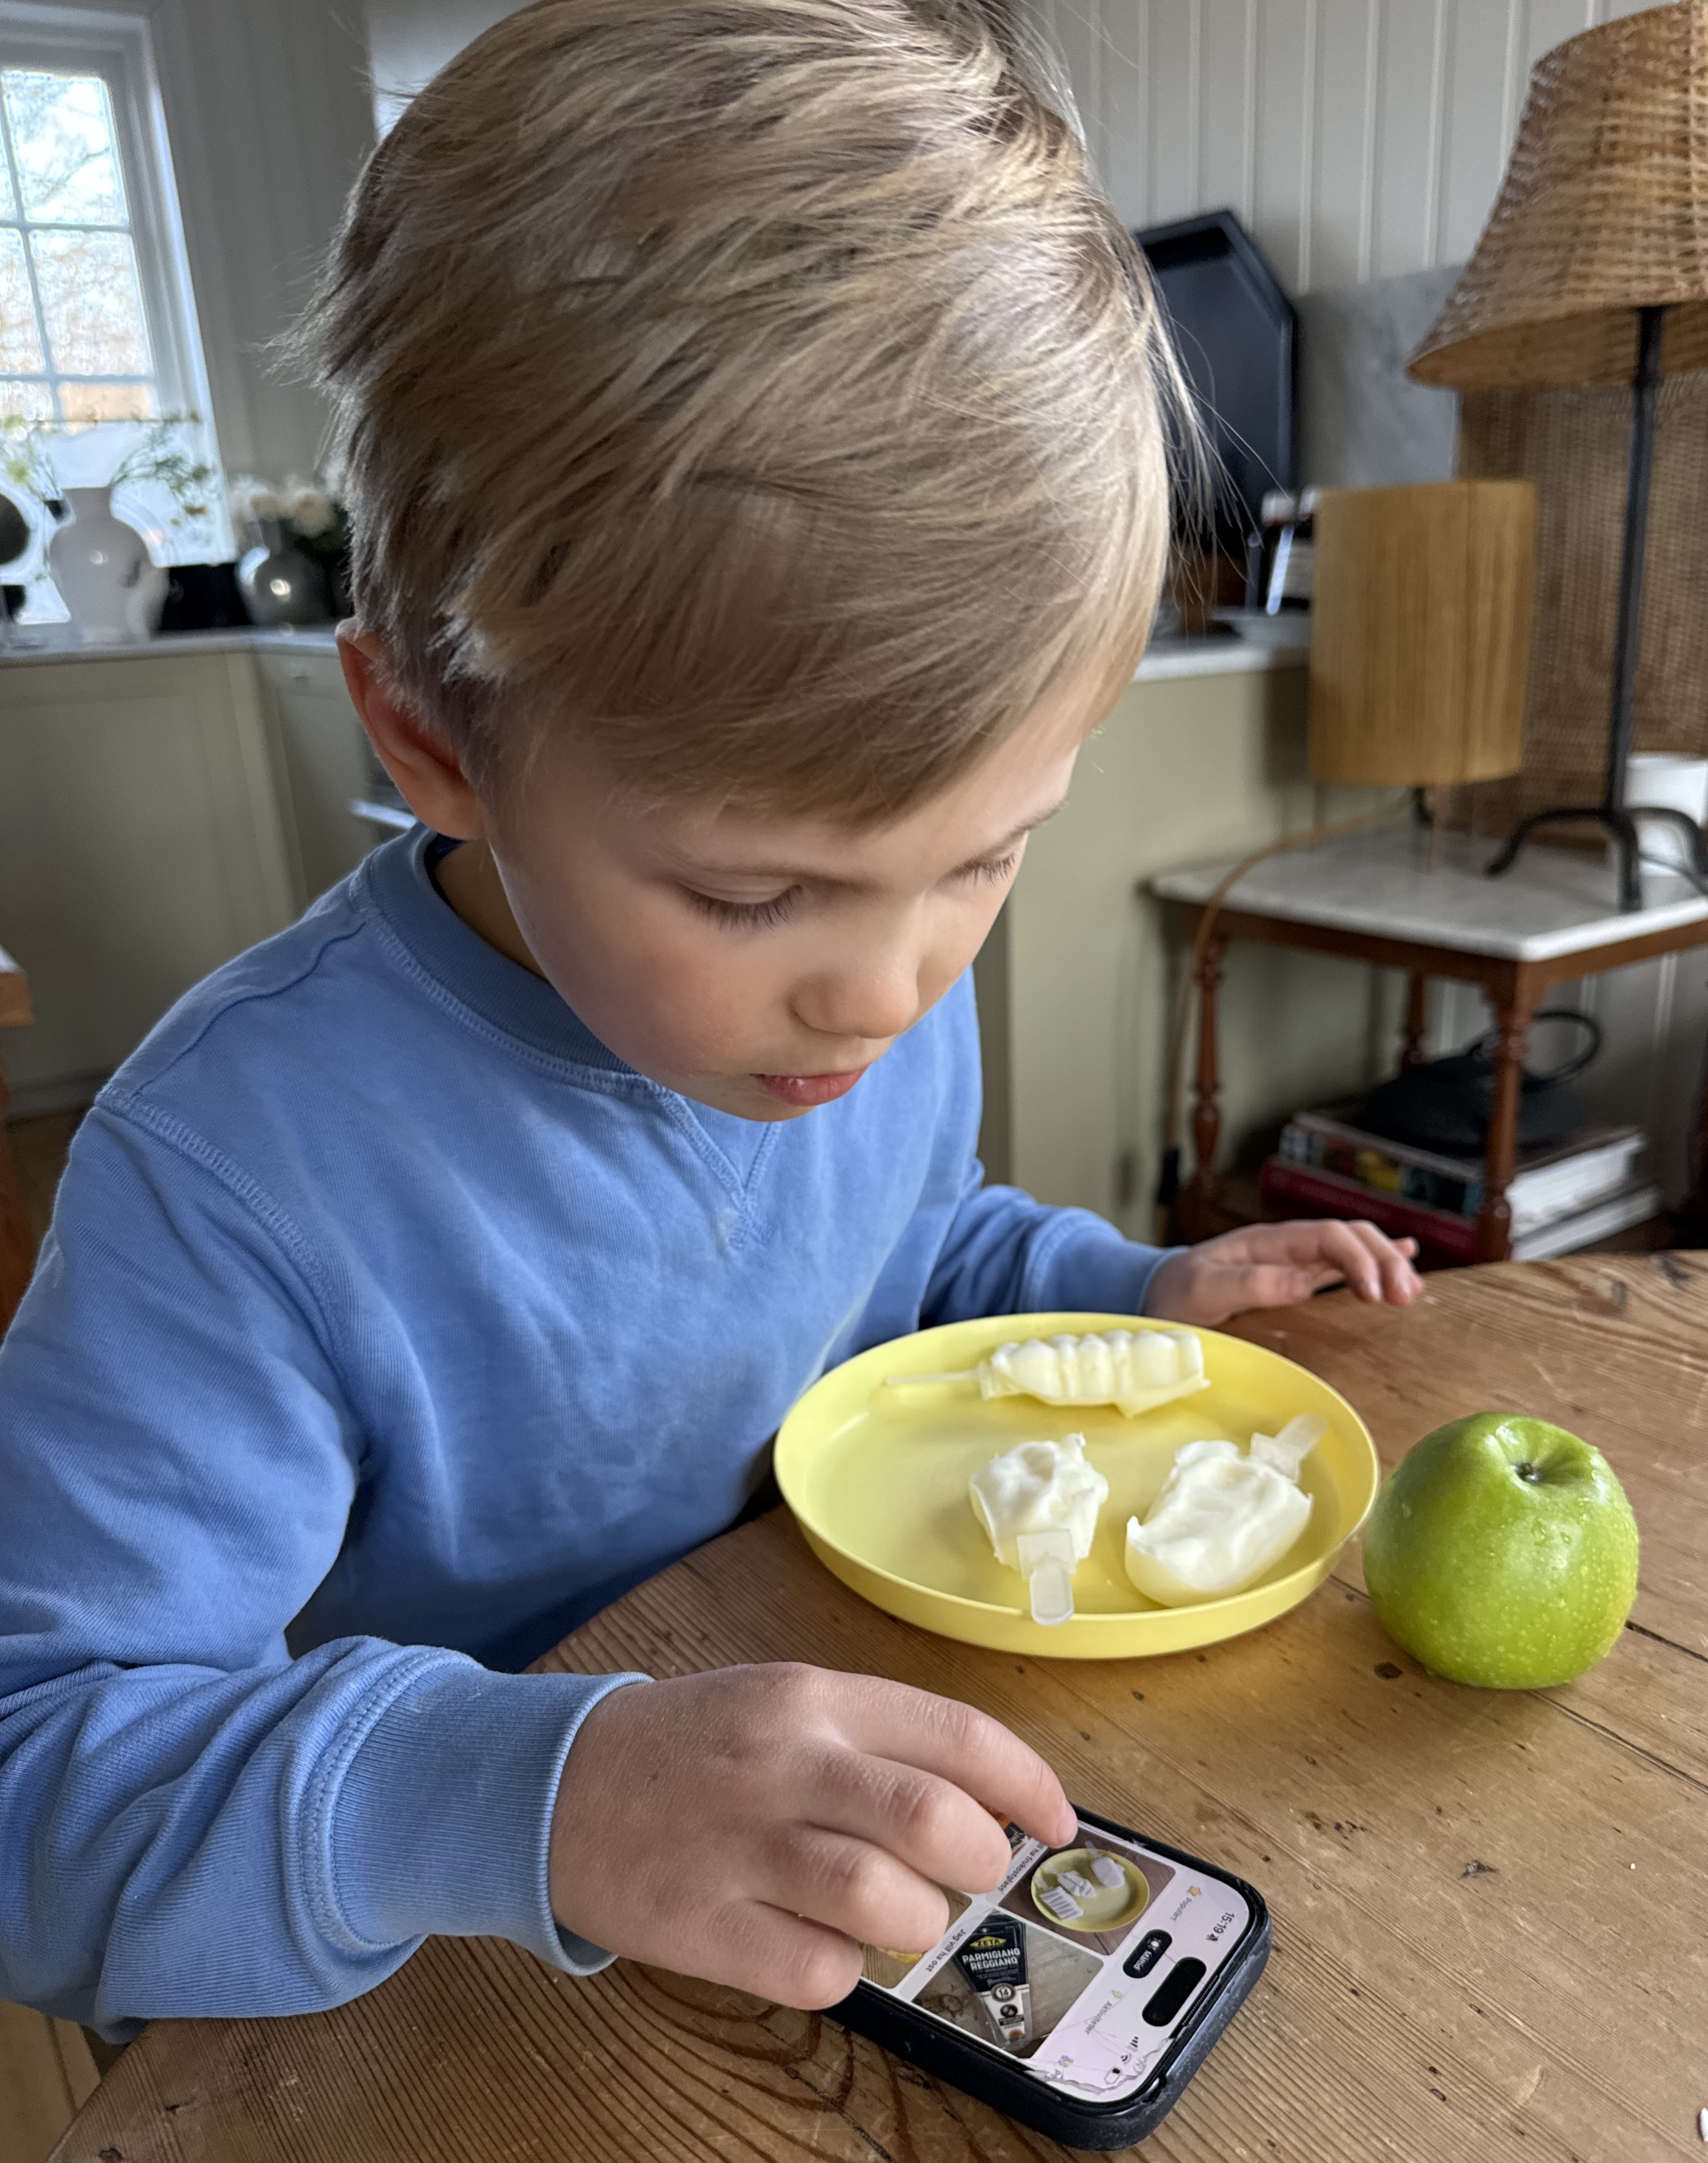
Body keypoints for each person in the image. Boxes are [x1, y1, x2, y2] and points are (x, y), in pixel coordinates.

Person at [0, 0, 1418, 2041]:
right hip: (399, 1987)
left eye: (983, 858)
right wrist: (535, 1790)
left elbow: (903, 1258)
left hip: (778, 1888)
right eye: (755, 893)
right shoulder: (231, 1176)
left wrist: (1120, 1296)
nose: (889, 984)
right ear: (431, 742)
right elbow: (43, 1795)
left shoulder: (861, 1004)